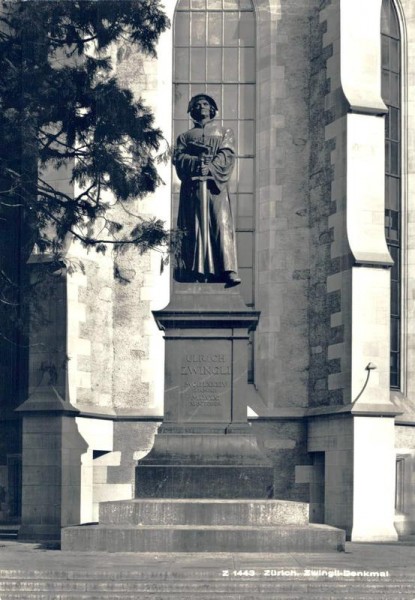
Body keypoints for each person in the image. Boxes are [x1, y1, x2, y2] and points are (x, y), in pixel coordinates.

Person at [173, 94, 241, 286]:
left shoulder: (224, 132)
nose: (201, 106)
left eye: (206, 104)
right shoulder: (185, 137)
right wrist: (196, 163)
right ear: (191, 111)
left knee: (220, 225)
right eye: (197, 104)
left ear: (212, 109)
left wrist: (210, 167)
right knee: (194, 228)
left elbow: (227, 154)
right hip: (193, 190)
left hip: (215, 188)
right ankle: (194, 271)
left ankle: (227, 270)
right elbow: (178, 159)